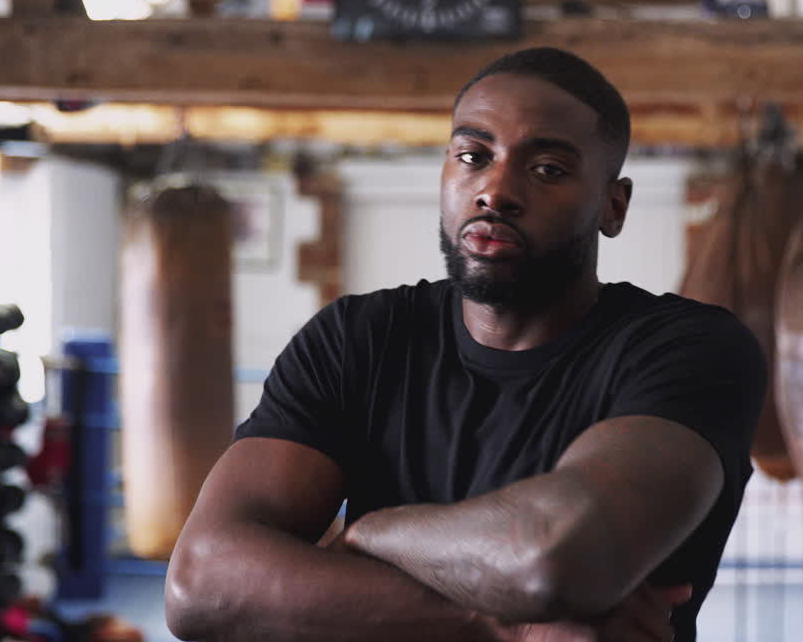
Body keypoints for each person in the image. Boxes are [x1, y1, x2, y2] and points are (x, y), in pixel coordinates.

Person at [164, 47, 765, 642]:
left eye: (548, 168)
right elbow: (199, 584)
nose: (496, 191)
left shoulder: (689, 349)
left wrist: (371, 533)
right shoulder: (357, 339)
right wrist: (493, 621)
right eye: (473, 156)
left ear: (613, 205)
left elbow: (553, 557)